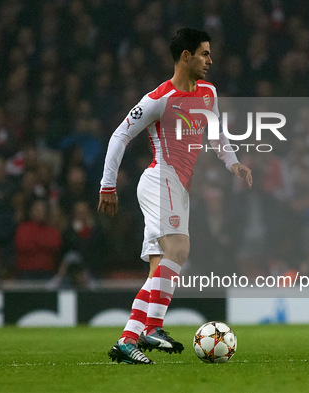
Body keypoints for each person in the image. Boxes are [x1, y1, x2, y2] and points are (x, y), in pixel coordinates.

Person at [98, 28, 252, 364]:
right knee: (180, 249)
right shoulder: (158, 99)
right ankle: (153, 327)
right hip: (160, 178)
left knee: (159, 271)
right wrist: (107, 186)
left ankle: (127, 341)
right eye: (205, 54)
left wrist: (234, 163)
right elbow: (119, 136)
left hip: (178, 188)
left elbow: (217, 135)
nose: (210, 61)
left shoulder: (208, 93)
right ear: (186, 56)